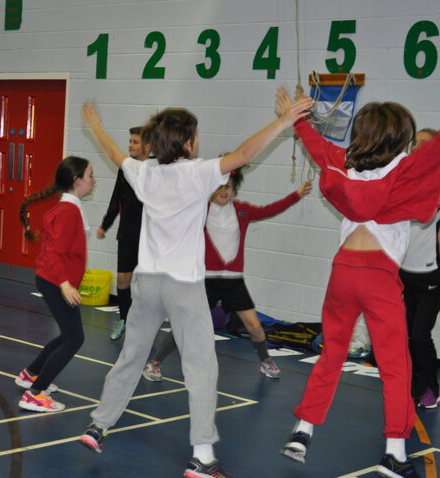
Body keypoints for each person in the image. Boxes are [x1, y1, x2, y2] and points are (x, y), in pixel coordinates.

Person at [279, 70, 440, 478]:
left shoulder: (342, 161)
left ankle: (302, 431)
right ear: (401, 138)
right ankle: (394, 453)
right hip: (378, 274)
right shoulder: (405, 168)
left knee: (332, 354)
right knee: (395, 365)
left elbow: (314, 142)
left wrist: (294, 119)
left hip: (342, 270)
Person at [78, 93, 314, 478]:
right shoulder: (197, 173)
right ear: (187, 143)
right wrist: (284, 121)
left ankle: (97, 426)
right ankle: (202, 456)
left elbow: (114, 155)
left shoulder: (145, 171)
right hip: (183, 286)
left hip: (146, 283)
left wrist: (96, 127)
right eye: (196, 135)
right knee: (201, 368)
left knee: (131, 358)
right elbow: (243, 154)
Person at [142, 167, 312, 381]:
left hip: (233, 281)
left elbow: (270, 209)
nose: (224, 191)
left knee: (254, 326)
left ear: (234, 189)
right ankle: (153, 363)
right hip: (206, 281)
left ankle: (265, 361)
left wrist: (296, 194)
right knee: (185, 324)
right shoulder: (199, 211)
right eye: (219, 187)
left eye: (228, 187)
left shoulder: (243, 211)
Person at [15, 156, 96, 412]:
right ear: (77, 180)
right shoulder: (68, 211)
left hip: (54, 280)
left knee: (68, 335)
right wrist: (65, 283)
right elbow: (54, 253)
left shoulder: (70, 207)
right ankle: (35, 394)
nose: (94, 180)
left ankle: (30, 374)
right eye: (90, 175)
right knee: (74, 339)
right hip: (55, 281)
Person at [400, 127, 440, 409]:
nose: (417, 147)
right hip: (404, 273)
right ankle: (413, 386)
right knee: (405, 335)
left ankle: (430, 390)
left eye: (424, 143)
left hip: (431, 274)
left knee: (420, 335)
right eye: (415, 143)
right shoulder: (404, 182)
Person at [96, 126, 149, 341]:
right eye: (129, 141)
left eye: (135, 142)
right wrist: (105, 224)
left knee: (146, 284)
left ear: (148, 146)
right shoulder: (124, 168)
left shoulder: (156, 169)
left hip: (149, 237)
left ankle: (144, 325)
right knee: (122, 279)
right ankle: (124, 320)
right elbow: (116, 198)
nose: (130, 145)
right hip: (127, 233)